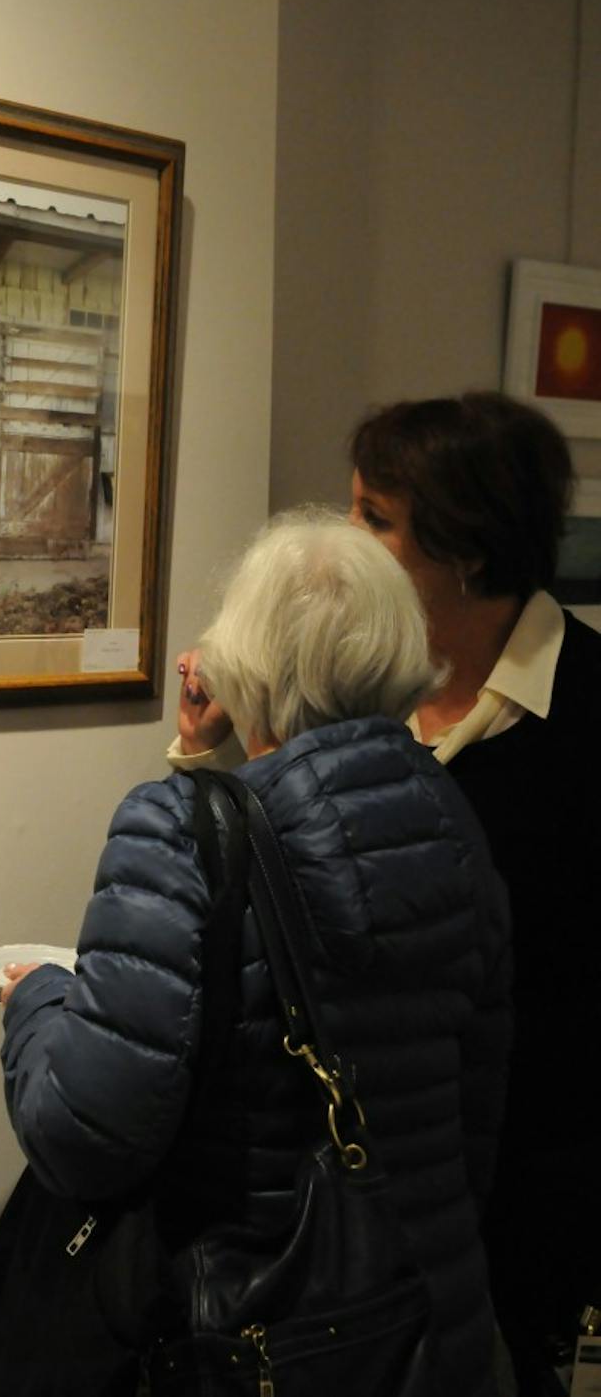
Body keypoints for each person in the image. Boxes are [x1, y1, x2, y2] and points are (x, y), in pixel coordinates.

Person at [0, 510, 511, 1397]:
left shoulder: (173, 830)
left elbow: (86, 1136)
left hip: (257, 1346)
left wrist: (37, 1002)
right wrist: (210, 761)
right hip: (428, 1329)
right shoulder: (450, 817)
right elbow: (478, 1106)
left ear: (248, 659)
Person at [176, 393, 601, 1395]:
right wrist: (214, 755)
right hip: (354, 1207)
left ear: (463, 547)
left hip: (534, 1191)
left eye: (373, 516)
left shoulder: (587, 712)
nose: (345, 539)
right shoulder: (362, 688)